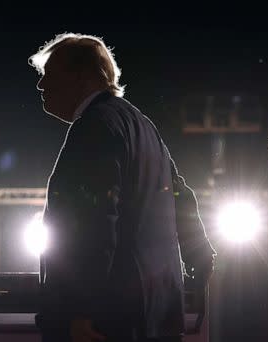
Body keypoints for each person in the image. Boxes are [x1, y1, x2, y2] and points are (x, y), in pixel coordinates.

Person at [29, 33, 216, 342]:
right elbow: (180, 196)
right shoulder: (142, 125)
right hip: (157, 316)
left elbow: (93, 224)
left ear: (83, 76)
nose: (41, 85)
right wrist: (200, 259)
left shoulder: (95, 127)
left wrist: (81, 309)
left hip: (109, 320)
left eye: (50, 74)